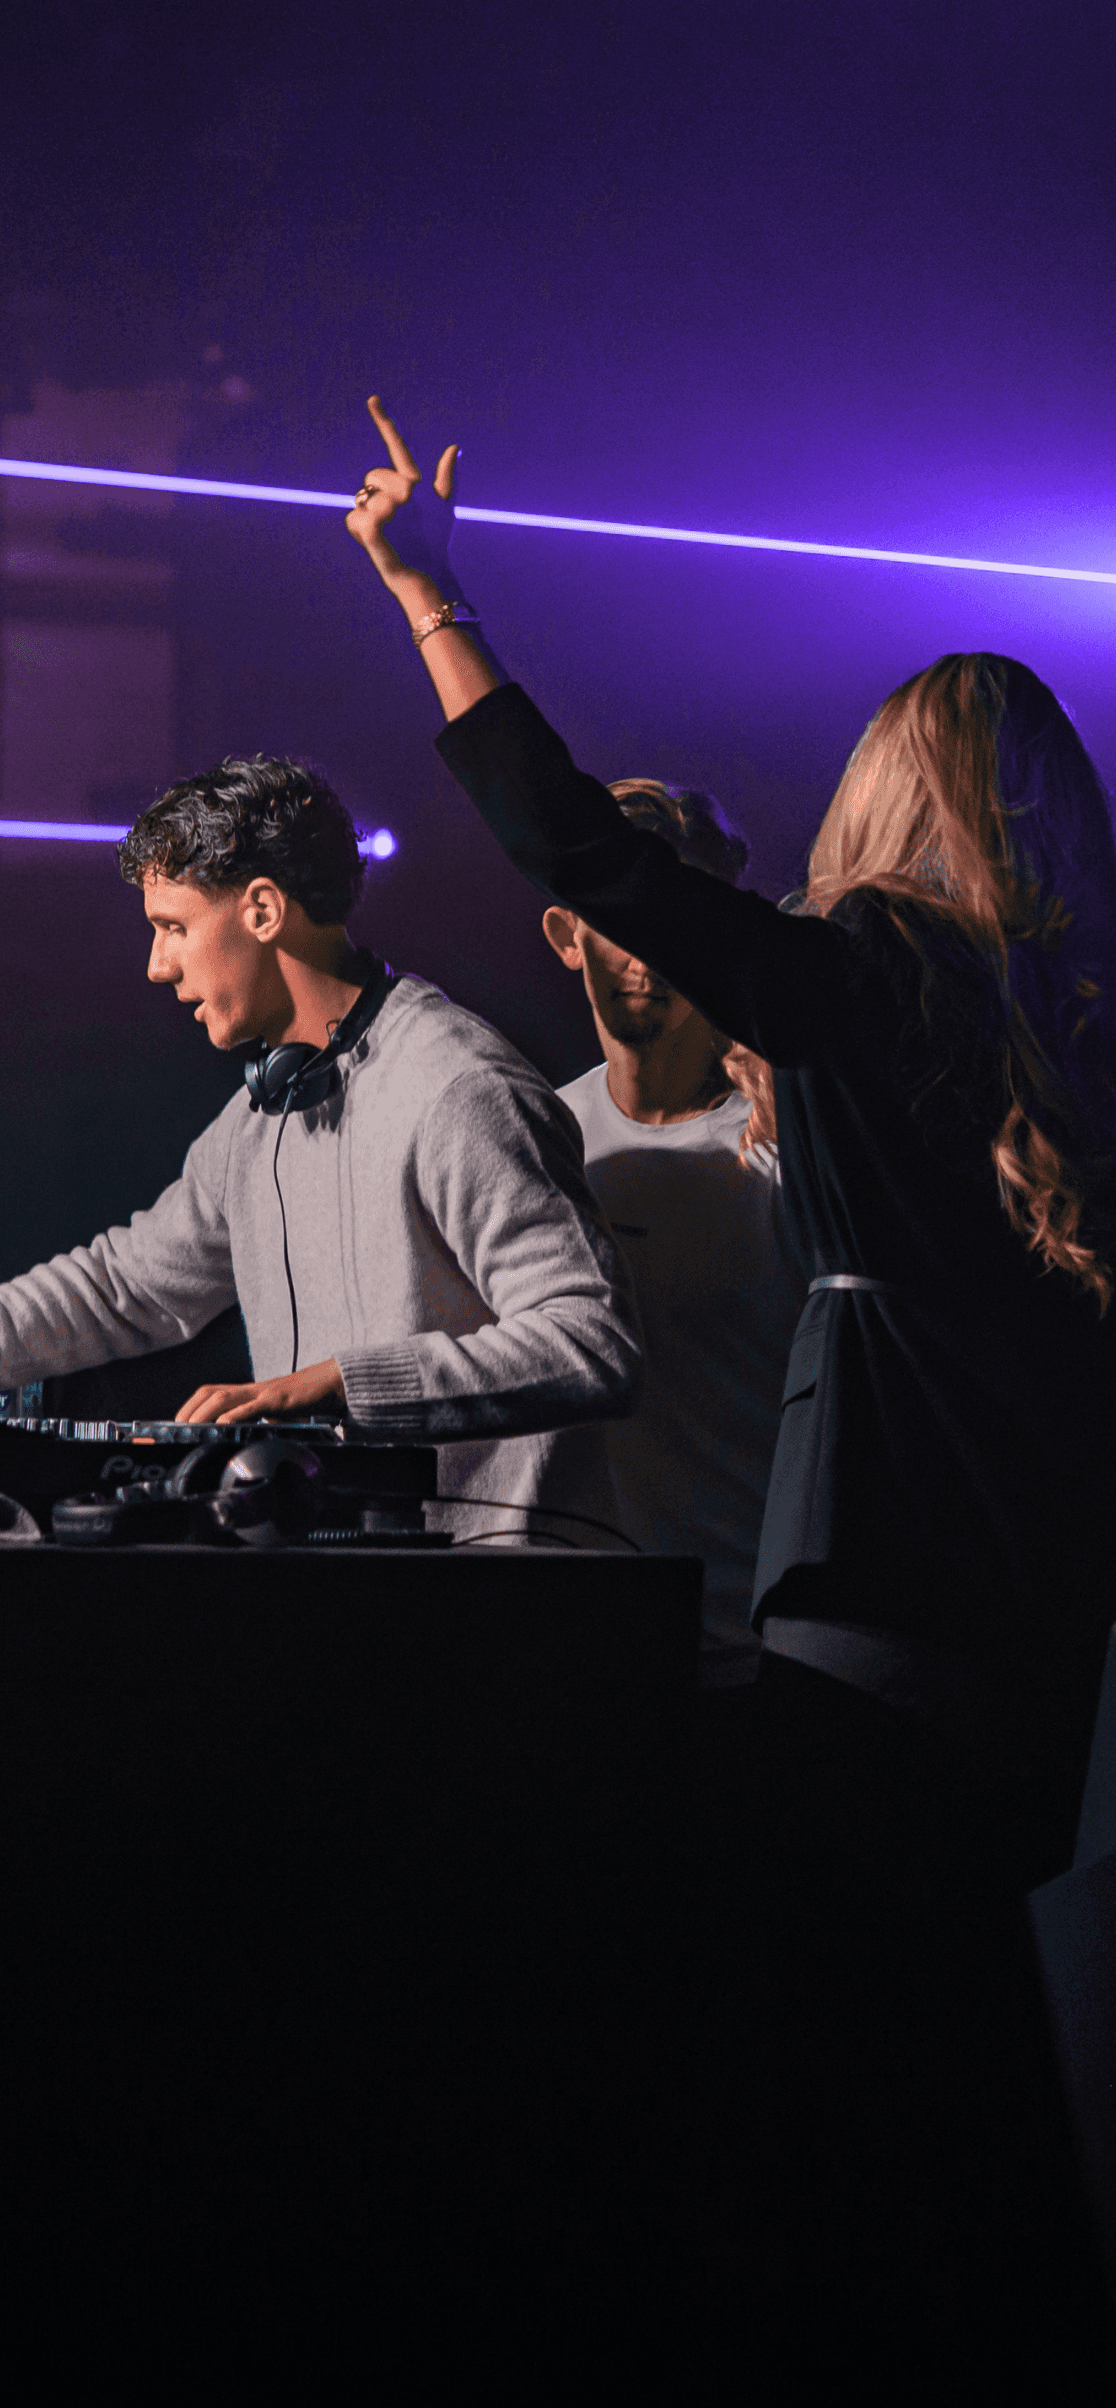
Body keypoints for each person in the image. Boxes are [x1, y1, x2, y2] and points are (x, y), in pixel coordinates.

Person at [343, 396, 1116, 2328]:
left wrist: (433, 595)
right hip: (1046, 1602)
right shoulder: (1063, 1025)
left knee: (835, 2072)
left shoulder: (883, 969)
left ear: (893, 800)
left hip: (874, 1584)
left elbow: (583, 852)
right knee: (971, 2044)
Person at [0, 753, 644, 1525]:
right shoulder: (261, 1115)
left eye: (174, 927)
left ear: (264, 909)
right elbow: (123, 1288)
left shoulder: (457, 1087)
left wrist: (339, 1386)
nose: (159, 966)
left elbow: (589, 1340)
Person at [545, 779, 802, 1675]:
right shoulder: (540, 1136)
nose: (646, 954)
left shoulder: (781, 1144)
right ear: (566, 935)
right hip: (578, 1637)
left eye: (674, 917)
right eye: (621, 917)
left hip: (748, 1642)